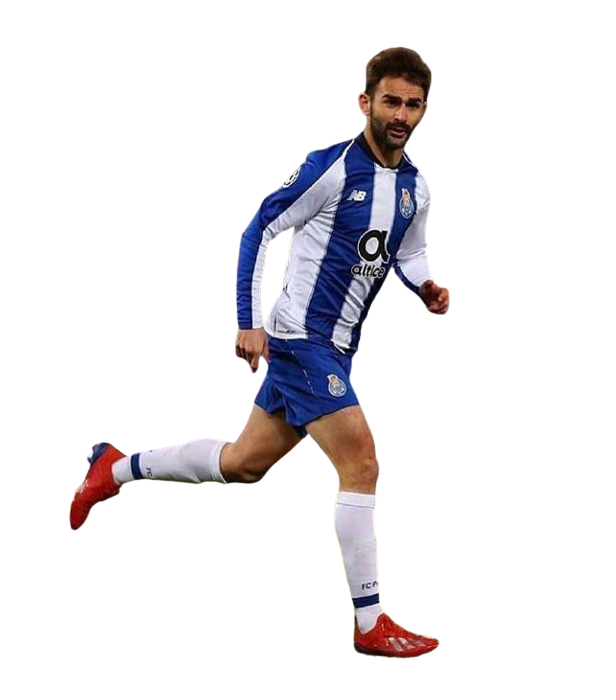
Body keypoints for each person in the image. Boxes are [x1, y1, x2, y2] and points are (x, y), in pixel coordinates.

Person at [70, 46, 449, 659]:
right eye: (390, 102)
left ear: (424, 109)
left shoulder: (416, 186)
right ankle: (370, 620)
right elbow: (259, 230)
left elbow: (409, 251)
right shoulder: (330, 168)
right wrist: (249, 323)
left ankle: (113, 468)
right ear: (365, 103)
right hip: (301, 340)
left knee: (243, 464)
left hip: (339, 349)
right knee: (362, 462)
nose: (400, 115)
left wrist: (425, 286)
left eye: (412, 104)